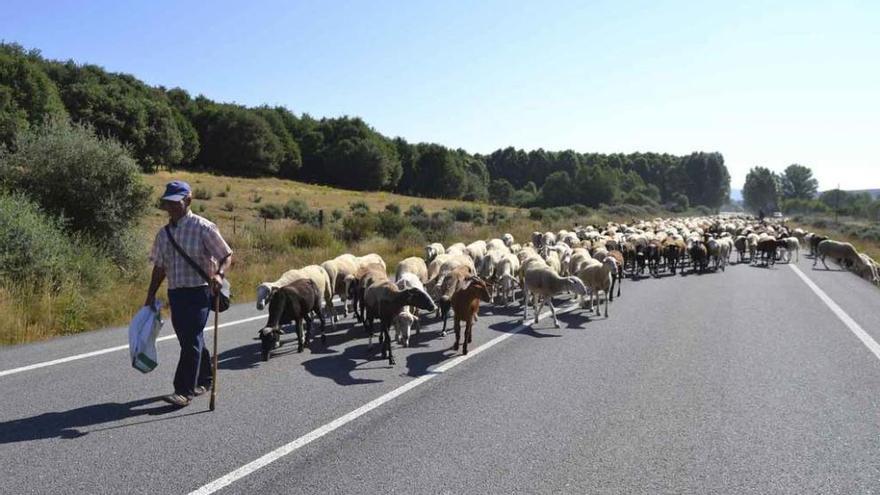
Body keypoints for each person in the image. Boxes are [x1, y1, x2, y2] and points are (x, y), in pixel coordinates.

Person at [144, 180, 233, 407]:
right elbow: (160, 267)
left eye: (176, 202)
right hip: (176, 293)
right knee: (189, 338)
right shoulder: (163, 234)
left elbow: (226, 255)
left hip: (200, 292)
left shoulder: (204, 227)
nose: (171, 207)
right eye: (168, 203)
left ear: (188, 200)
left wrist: (219, 275)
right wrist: (151, 294)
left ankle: (183, 391)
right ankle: (205, 378)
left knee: (191, 338)